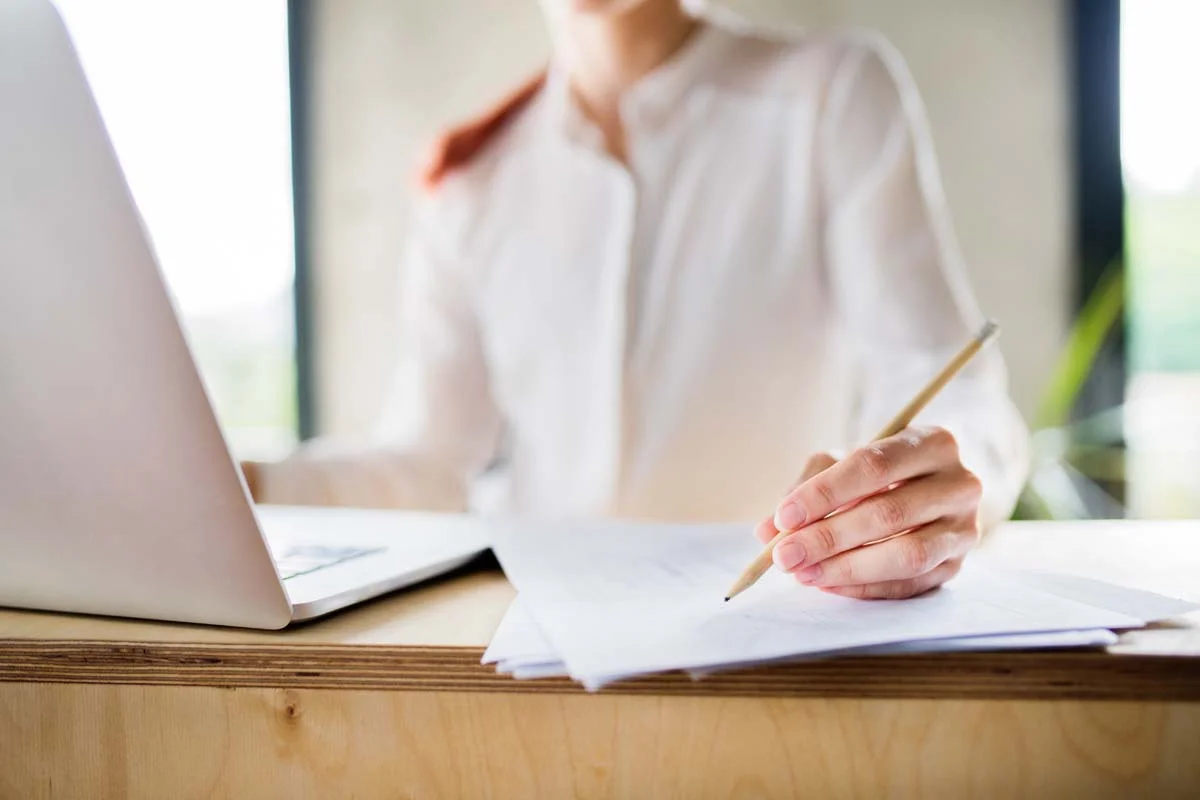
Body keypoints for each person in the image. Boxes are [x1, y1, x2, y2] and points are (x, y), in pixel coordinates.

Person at [246, 0, 1031, 600]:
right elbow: (425, 464)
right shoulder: (469, 184)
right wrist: (244, 488)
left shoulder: (832, 97)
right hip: (532, 642)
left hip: (765, 636)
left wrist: (947, 489)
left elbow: (957, 396)